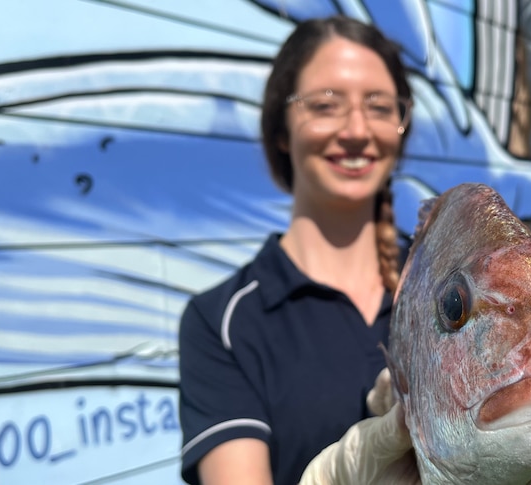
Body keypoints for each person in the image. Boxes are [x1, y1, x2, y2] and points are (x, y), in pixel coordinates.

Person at [178, 15, 417, 485]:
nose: (356, 129)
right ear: (282, 129)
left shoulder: (447, 288)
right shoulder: (223, 323)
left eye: (380, 106)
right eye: (325, 105)